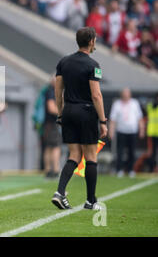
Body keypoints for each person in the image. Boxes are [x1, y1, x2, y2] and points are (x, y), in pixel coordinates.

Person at [51, 27, 108, 211]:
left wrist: (60, 113)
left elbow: (58, 91)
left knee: (74, 155)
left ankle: (60, 192)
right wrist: (103, 121)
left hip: (68, 111)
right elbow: (96, 95)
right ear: (91, 41)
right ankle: (91, 201)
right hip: (86, 112)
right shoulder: (93, 65)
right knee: (90, 157)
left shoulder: (63, 62)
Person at [109, 88, 144, 178]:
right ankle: (119, 169)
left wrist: (142, 129)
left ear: (130, 94)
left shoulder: (134, 103)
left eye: (127, 93)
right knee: (120, 151)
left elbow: (140, 118)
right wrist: (111, 132)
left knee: (132, 151)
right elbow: (113, 119)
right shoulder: (117, 104)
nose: (126, 95)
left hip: (132, 131)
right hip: (121, 131)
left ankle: (131, 169)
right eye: (124, 93)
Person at [42, 76, 61, 178]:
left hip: (47, 124)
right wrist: (63, 113)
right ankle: (55, 170)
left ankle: (48, 170)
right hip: (52, 123)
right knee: (55, 147)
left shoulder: (47, 91)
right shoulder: (51, 92)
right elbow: (51, 108)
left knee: (49, 147)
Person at [146, 93, 158, 172]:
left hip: (153, 132)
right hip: (152, 133)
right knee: (152, 153)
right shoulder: (151, 106)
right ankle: (152, 169)